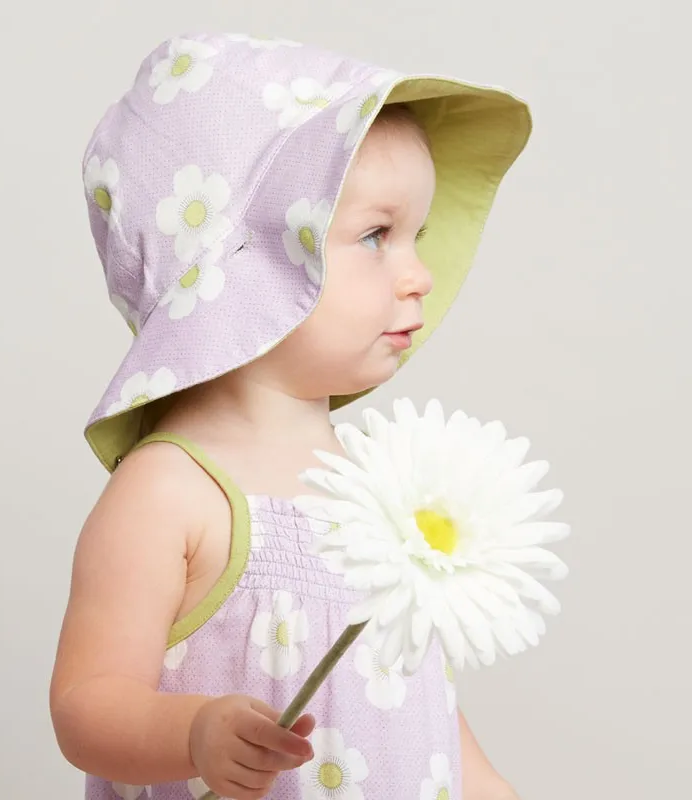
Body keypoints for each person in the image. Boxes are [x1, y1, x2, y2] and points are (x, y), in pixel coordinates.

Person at [50, 32, 531, 800]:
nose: (419, 276)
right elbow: (87, 704)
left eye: (420, 237)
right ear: (244, 267)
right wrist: (195, 732)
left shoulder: (379, 485)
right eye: (377, 235)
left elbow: (422, 706)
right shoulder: (169, 493)